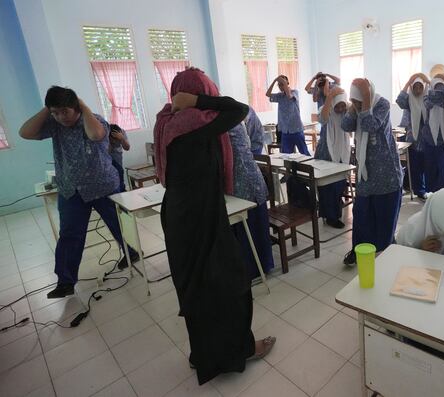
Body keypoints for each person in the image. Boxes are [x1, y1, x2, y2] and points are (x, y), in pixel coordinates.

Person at [154, 68, 275, 385]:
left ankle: (204, 356)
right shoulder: (195, 124)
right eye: (205, 90)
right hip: (199, 216)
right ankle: (240, 350)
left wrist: (188, 100)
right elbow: (238, 109)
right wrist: (198, 99)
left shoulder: (167, 121)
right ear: (198, 92)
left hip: (181, 215)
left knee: (197, 289)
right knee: (232, 284)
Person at [19, 86, 139, 298]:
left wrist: (82, 106)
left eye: (65, 111)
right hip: (71, 189)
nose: (61, 116)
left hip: (103, 186)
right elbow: (25, 132)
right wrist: (48, 110)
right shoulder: (54, 126)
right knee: (69, 235)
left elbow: (96, 135)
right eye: (56, 112)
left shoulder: (95, 121)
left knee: (117, 224)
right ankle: (65, 281)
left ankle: (131, 253)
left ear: (75, 107)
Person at [341, 78, 403, 265]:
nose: (358, 105)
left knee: (384, 215)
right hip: (366, 173)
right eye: (356, 100)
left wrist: (366, 97)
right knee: (362, 215)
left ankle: (385, 250)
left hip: (386, 172)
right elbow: (345, 126)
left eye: (359, 100)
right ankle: (359, 249)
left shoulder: (382, 104)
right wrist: (354, 107)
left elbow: (370, 125)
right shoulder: (356, 109)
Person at [228, 122, 275, 278]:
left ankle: (256, 269)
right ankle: (255, 266)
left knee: (252, 228)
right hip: (242, 183)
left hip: (246, 184)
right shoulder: (231, 121)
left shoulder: (228, 125)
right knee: (249, 229)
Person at [314, 85, 351, 228]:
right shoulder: (325, 110)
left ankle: (334, 211)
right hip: (326, 153)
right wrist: (329, 96)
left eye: (343, 106)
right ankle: (331, 217)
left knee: (339, 184)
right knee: (327, 187)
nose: (341, 109)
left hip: (342, 152)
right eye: (338, 106)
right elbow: (323, 120)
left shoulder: (346, 113)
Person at [397, 73, 431, 199]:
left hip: (428, 140)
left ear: (424, 88)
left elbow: (439, 94)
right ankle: (419, 191)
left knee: (427, 166)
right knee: (415, 167)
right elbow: (399, 100)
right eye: (415, 87)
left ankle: (428, 189)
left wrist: (428, 81)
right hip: (413, 140)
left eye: (420, 87)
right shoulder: (409, 101)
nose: (417, 90)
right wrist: (407, 82)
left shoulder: (428, 99)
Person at [266, 75, 310, 155]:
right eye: (279, 85)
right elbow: (268, 94)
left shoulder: (294, 92)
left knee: (304, 153)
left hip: (296, 129)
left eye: (282, 84)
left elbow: (289, 96)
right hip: (285, 131)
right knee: (286, 155)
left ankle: (309, 167)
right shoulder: (279, 96)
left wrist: (282, 81)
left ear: (287, 83)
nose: (281, 86)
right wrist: (275, 80)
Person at [423, 74, 444, 191]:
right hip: (429, 140)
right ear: (432, 87)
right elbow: (429, 103)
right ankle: (432, 194)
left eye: (442, 87)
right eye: (436, 87)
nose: (439, 90)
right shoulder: (427, 98)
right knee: (430, 169)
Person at [108, 123, 130, 192]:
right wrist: (110, 142)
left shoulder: (122, 132)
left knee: (120, 173)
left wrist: (122, 139)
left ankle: (122, 190)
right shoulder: (104, 133)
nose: (115, 141)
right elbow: (107, 152)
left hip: (118, 158)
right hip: (107, 159)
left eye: (116, 140)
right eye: (113, 140)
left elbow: (127, 147)